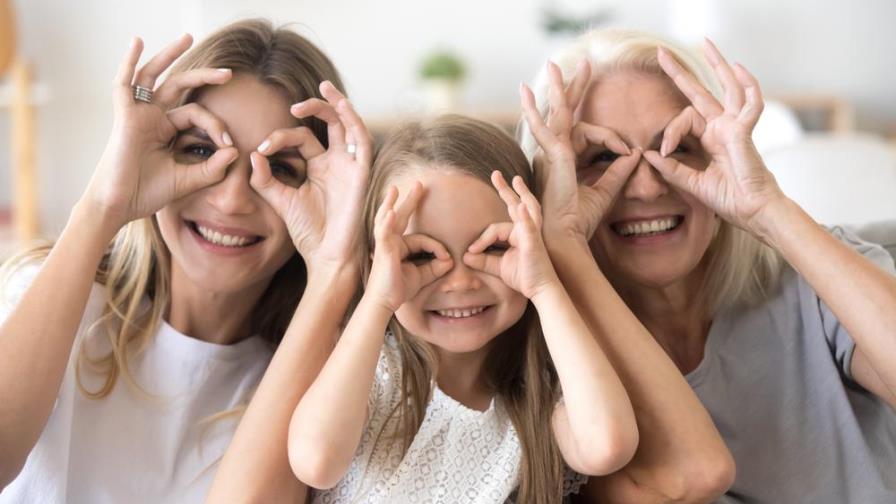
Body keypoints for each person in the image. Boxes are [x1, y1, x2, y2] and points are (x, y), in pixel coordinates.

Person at [0, 19, 370, 503]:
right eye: (201, 151)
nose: (233, 200)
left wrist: (333, 269)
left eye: (279, 168)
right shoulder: (57, 297)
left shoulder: (329, 385)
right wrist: (103, 206)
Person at [521, 29, 896, 502]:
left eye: (678, 146)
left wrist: (767, 209)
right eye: (602, 158)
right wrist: (564, 245)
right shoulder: (560, 369)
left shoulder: (816, 275)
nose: (647, 189)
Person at [289, 115, 641, 503]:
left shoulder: (543, 394)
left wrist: (544, 285)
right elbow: (315, 461)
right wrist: (378, 299)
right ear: (379, 263)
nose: (461, 283)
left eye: (493, 247)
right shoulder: (371, 372)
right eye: (421, 254)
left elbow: (607, 444)